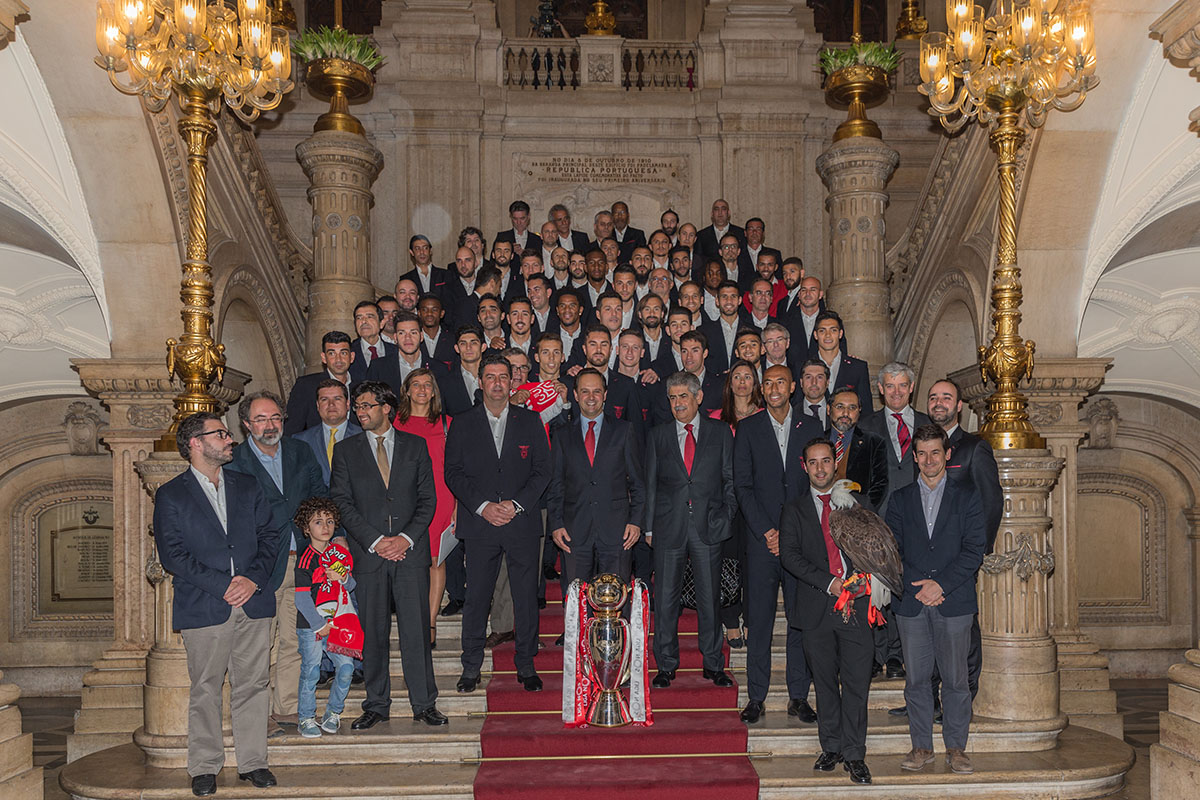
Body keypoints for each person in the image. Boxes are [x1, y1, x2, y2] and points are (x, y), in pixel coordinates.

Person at [152, 412, 280, 797]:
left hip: (254, 602)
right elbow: (172, 556)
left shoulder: (247, 485)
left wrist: (252, 578)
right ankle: (205, 766)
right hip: (206, 605)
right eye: (221, 434)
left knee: (254, 685)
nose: (230, 440)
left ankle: (254, 762)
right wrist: (225, 585)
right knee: (206, 687)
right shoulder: (171, 494)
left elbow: (271, 535)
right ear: (195, 442)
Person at [329, 381, 445, 730]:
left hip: (409, 554)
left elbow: (429, 500)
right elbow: (342, 503)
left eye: (366, 406)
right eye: (358, 407)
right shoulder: (346, 451)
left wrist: (405, 539)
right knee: (374, 633)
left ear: (386, 408)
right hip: (370, 555)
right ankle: (376, 704)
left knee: (415, 631)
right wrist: (376, 540)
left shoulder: (415, 446)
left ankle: (424, 703)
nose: (360, 412)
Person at [446, 352, 552, 694]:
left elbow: (542, 471)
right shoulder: (462, 423)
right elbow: (454, 474)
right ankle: (471, 667)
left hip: (521, 523)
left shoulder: (530, 420)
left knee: (525, 598)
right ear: (480, 382)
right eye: (490, 376)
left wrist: (515, 505)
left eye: (503, 377)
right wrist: (482, 507)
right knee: (477, 598)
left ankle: (526, 664)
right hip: (480, 526)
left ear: (511, 382)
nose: (497, 383)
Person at [886, 424, 987, 776]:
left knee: (956, 679)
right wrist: (921, 587)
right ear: (914, 458)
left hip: (954, 600)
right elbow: (892, 551)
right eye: (922, 454)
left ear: (947, 455)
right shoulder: (899, 500)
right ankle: (921, 747)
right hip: (913, 604)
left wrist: (940, 585)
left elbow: (975, 550)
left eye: (935, 452)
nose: (929, 460)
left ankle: (956, 748)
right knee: (916, 681)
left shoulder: (968, 495)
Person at [777, 438, 876, 785]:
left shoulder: (857, 505)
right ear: (805, 467)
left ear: (836, 465)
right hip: (817, 608)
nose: (820, 468)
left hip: (855, 610)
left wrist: (865, 583)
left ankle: (855, 753)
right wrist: (829, 583)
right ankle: (831, 746)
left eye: (826, 461)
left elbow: (874, 553)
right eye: (813, 463)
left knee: (856, 684)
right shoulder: (794, 510)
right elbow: (790, 556)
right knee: (824, 685)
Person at [228, 390, 327, 730]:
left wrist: (328, 538)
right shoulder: (235, 462)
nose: (269, 425)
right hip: (259, 566)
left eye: (275, 418)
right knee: (259, 642)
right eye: (260, 419)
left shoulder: (301, 451)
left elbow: (319, 497)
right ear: (245, 424)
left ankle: (286, 707)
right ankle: (259, 713)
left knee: (295, 639)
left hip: (302, 560)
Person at [733, 364, 823, 725]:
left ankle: (798, 696)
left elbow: (816, 484)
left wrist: (792, 534)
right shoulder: (749, 428)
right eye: (767, 382)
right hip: (762, 543)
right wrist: (768, 532)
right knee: (760, 621)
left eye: (780, 382)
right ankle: (756, 696)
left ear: (792, 387)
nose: (773, 388)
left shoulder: (812, 427)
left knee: (800, 620)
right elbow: (743, 486)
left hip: (801, 542)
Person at [646, 371, 736, 689]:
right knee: (666, 599)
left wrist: (725, 518)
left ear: (698, 397)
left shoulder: (720, 432)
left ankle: (713, 664)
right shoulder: (658, 435)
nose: (678, 403)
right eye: (672, 397)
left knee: (709, 598)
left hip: (708, 526)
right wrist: (648, 527)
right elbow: (651, 485)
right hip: (668, 527)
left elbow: (729, 480)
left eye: (684, 396)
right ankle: (666, 665)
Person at [858, 361, 930, 677]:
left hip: (918, 520)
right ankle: (876, 653)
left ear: (911, 388)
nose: (896, 392)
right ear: (881, 389)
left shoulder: (928, 426)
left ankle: (900, 655)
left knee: (908, 584)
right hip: (878, 522)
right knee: (877, 586)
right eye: (890, 386)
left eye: (902, 385)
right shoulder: (866, 426)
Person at [547, 368, 646, 586]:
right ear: (575, 395)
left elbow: (638, 483)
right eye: (585, 391)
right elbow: (556, 485)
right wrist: (556, 524)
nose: (591, 398)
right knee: (576, 600)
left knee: (616, 598)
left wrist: (636, 522)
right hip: (574, 532)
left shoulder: (624, 430)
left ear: (605, 394)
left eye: (596, 391)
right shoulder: (562, 435)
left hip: (617, 532)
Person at [393, 368, 458, 650]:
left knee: (435, 562)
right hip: (403, 500)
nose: (421, 389)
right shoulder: (393, 422)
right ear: (406, 391)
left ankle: (429, 623)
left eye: (427, 385)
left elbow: (456, 468)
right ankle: (411, 620)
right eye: (415, 384)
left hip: (442, 498)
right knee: (407, 564)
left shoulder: (447, 423)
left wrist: (457, 505)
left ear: (434, 391)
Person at [293, 497, 358, 738]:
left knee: (346, 667)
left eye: (330, 521)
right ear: (306, 528)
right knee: (311, 670)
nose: (325, 526)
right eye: (318, 522)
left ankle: (333, 712)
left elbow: (351, 584)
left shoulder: (338, 555)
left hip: (338, 623)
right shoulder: (305, 560)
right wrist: (318, 625)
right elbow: (301, 599)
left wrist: (340, 576)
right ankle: (306, 717)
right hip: (312, 626)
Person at [709, 360, 762, 652]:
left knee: (754, 565)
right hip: (724, 502)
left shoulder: (766, 416)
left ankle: (753, 620)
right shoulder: (716, 418)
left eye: (748, 377)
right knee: (728, 565)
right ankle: (730, 622)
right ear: (729, 384)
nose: (742, 382)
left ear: (756, 383)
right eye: (737, 377)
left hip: (755, 501)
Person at [826, 387, 889, 511]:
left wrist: (861, 512)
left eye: (852, 408)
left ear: (859, 411)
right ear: (828, 409)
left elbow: (880, 485)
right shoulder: (816, 440)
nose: (845, 413)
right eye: (840, 407)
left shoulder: (874, 442)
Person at [284, 330, 358, 435]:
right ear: (324, 357)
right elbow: (292, 428)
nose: (338, 359)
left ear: (352, 357)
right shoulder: (305, 386)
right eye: (332, 353)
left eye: (343, 353)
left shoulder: (361, 387)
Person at [296, 379, 363, 486]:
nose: (331, 404)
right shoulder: (300, 441)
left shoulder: (365, 438)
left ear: (347, 404)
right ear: (317, 406)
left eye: (337, 399)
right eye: (324, 399)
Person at [812, 311, 873, 413]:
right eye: (822, 331)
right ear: (815, 335)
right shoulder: (803, 367)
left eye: (833, 330)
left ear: (840, 334)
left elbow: (866, 410)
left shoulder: (858, 368)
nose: (828, 335)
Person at [350, 301, 393, 383]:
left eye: (370, 317)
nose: (364, 321)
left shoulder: (396, 351)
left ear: (381, 323)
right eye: (359, 318)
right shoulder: (349, 352)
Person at [398, 234, 450, 298]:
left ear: (430, 251)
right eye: (417, 249)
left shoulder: (445, 275)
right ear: (411, 252)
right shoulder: (406, 279)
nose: (422, 252)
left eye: (425, 248)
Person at [696, 198, 745, 264]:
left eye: (723, 209)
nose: (720, 212)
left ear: (728, 213)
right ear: (712, 214)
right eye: (716, 209)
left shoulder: (741, 233)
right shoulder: (701, 235)